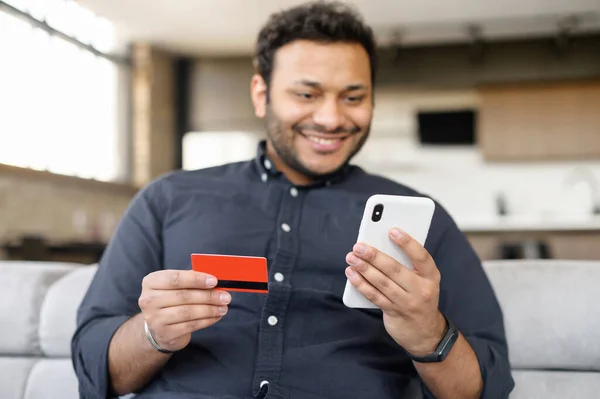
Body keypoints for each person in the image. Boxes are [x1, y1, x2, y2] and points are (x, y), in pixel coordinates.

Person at [72, 2, 514, 398]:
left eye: (353, 97)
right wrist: (153, 333)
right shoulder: (167, 200)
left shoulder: (421, 222)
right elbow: (98, 366)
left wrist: (427, 335)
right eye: (307, 94)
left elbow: (485, 389)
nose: (331, 118)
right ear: (262, 95)